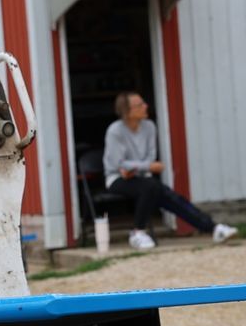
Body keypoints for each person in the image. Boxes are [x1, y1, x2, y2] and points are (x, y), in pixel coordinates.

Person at [101, 93, 237, 250]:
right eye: (140, 105)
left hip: (142, 178)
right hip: (117, 179)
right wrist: (142, 166)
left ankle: (213, 228)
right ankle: (137, 233)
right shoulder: (115, 131)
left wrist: (140, 167)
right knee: (152, 186)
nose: (146, 106)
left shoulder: (149, 127)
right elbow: (117, 163)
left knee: (172, 198)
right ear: (127, 111)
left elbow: (150, 157)